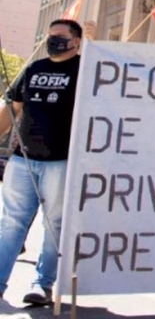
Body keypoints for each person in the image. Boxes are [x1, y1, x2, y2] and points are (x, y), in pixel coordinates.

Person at [0, 19, 83, 307]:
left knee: (54, 225)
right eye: (51, 36)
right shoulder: (34, 68)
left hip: (60, 162)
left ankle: (42, 284)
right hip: (23, 161)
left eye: (60, 37)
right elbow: (12, 107)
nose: (53, 41)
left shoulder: (85, 70)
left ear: (76, 42)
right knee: (10, 223)